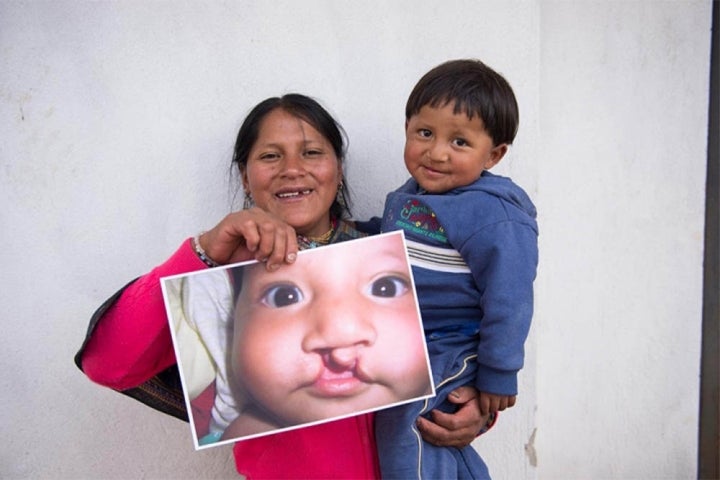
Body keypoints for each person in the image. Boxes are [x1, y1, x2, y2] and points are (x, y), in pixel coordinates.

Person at [75, 93, 494, 479]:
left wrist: (474, 408)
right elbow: (108, 364)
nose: (293, 170)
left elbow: (458, 346)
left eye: (312, 153)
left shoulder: (397, 262)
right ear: (245, 176)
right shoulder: (221, 282)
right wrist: (203, 251)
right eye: (270, 156)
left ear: (338, 169)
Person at [370, 59, 539, 479]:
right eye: (424, 133)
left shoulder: (494, 215)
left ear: (494, 154)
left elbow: (510, 299)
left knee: (406, 425)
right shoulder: (412, 196)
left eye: (460, 142)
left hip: (452, 347)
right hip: (415, 343)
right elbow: (392, 242)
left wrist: (499, 374)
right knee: (431, 436)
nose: (437, 151)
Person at [219, 231, 433, 441]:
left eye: (385, 288)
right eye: (284, 297)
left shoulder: (445, 408)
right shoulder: (248, 435)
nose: (339, 333)